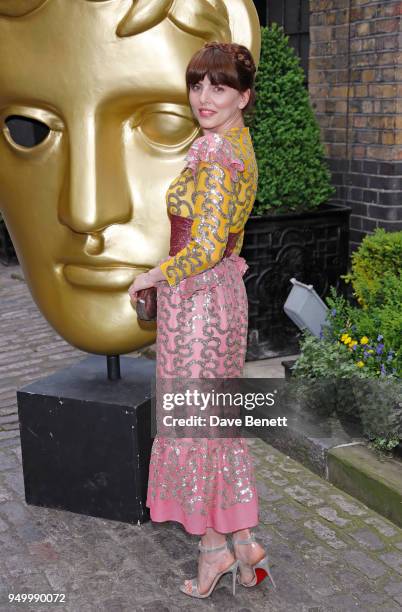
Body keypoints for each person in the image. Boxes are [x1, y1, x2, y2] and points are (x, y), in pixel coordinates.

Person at [129, 42, 275, 599]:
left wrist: (153, 275)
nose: (204, 98)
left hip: (199, 304)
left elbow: (208, 245)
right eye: (197, 86)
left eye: (219, 87)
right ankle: (238, 543)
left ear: (244, 95)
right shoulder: (235, 142)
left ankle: (218, 548)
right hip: (221, 299)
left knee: (197, 422)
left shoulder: (216, 151)